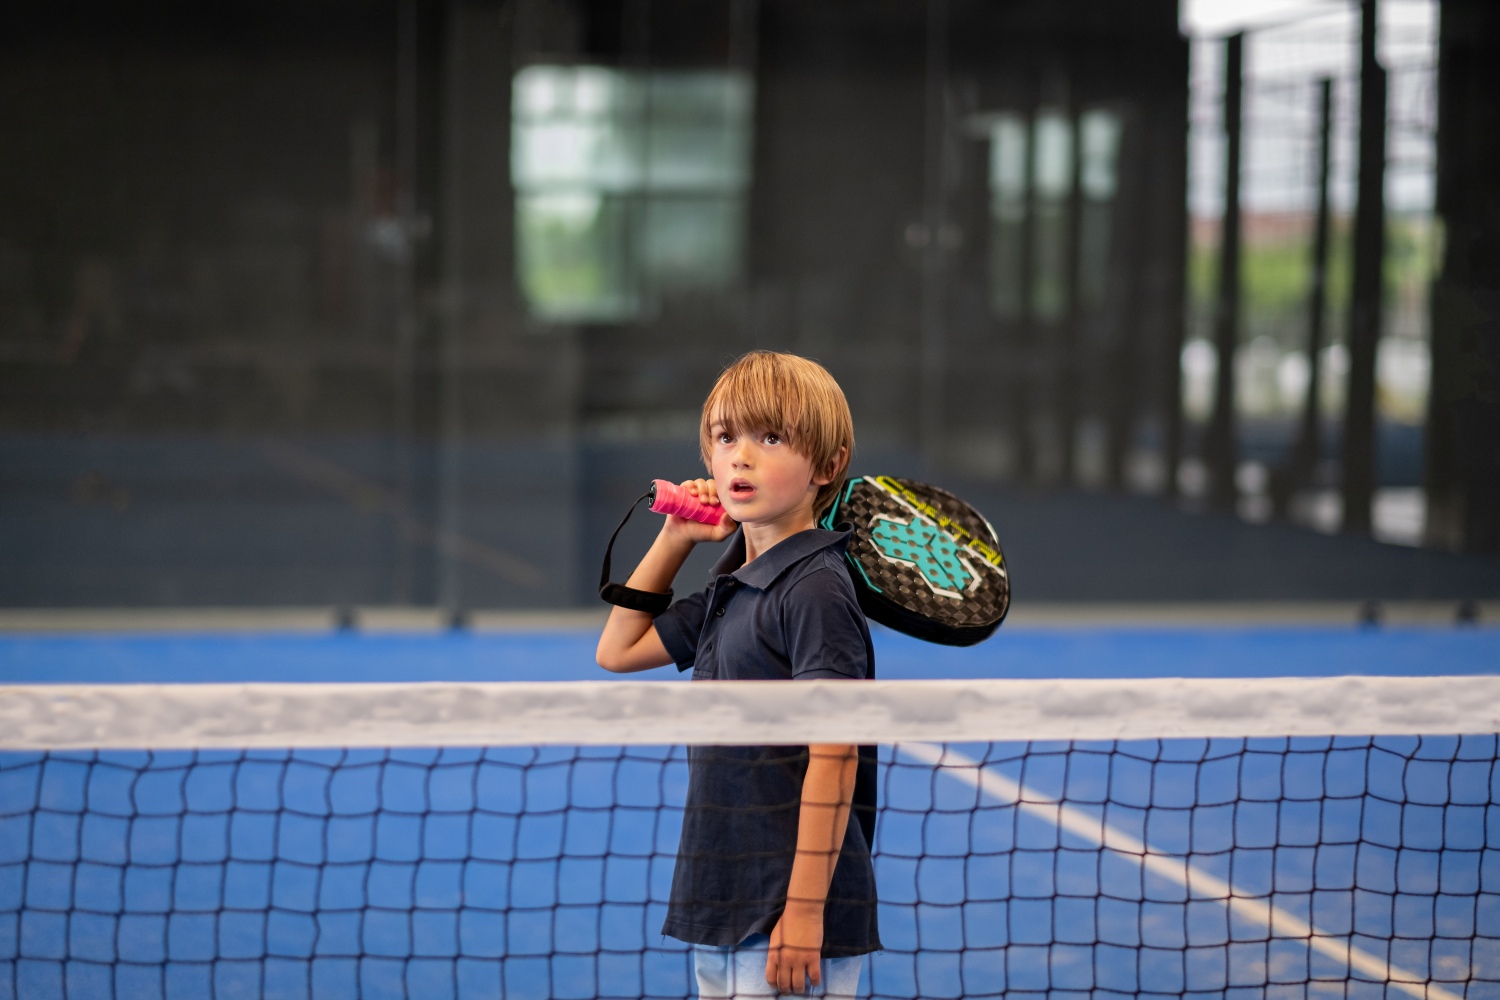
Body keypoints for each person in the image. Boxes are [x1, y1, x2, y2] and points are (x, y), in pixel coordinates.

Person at [596, 351, 880, 998]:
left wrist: (805, 914)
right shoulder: (734, 585)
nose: (739, 457)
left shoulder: (815, 592)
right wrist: (673, 540)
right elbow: (618, 650)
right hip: (719, 894)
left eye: (770, 437)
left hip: (790, 917)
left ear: (828, 466)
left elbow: (834, 756)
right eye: (725, 438)